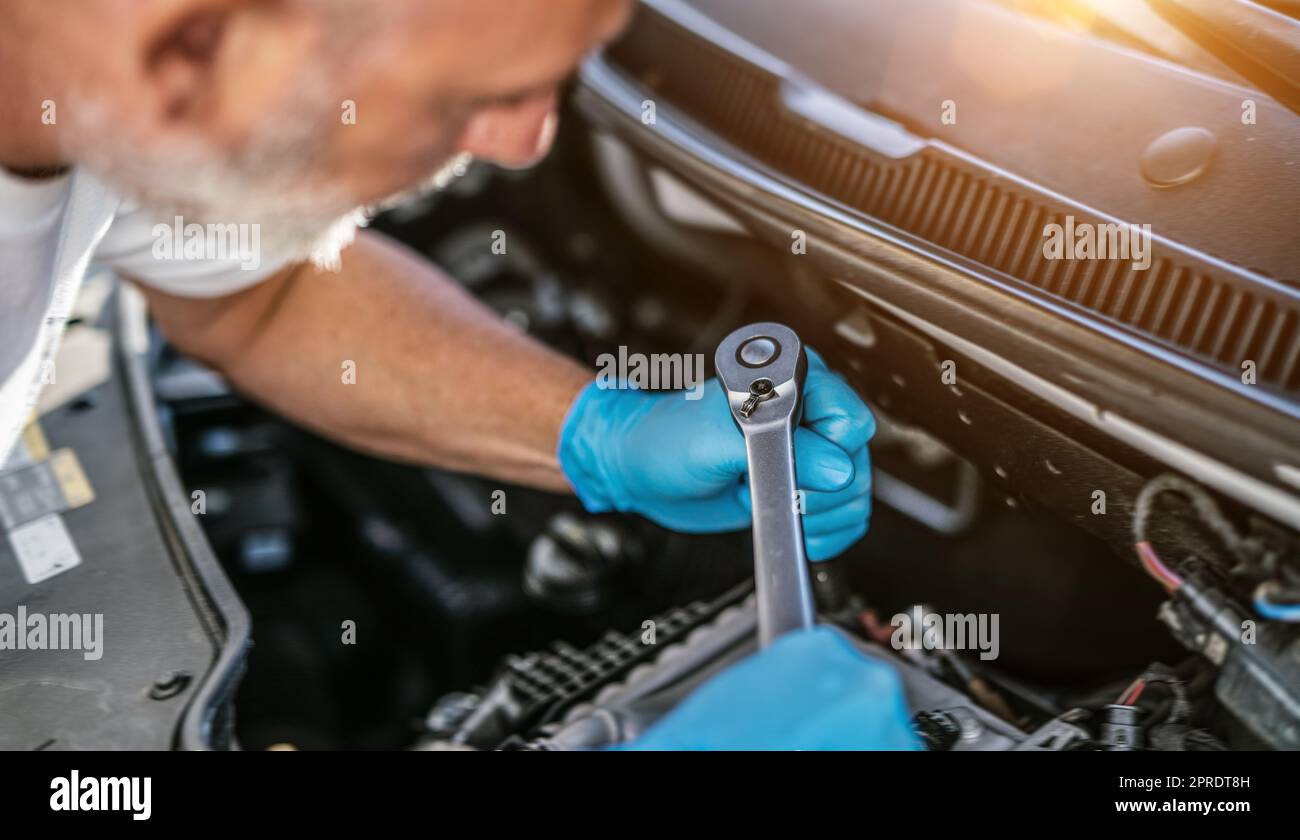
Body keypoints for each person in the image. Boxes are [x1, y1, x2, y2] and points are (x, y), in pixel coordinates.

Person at [0, 0, 916, 749]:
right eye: (467, 100)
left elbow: (257, 294)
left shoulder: (101, 75)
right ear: (192, 42)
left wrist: (600, 433)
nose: (524, 143)